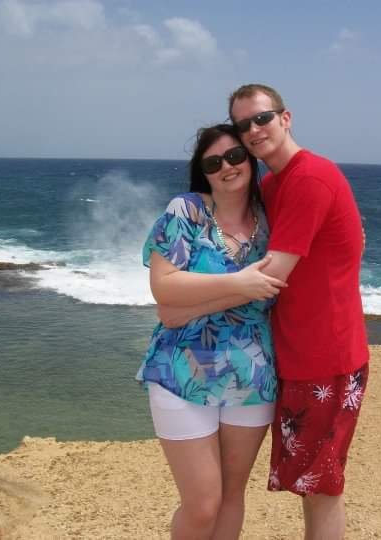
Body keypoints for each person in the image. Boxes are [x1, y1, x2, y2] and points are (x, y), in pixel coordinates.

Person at [161, 84, 370, 539]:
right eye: (244, 125)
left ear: (285, 118)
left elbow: (266, 280)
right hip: (290, 355)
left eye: (262, 118)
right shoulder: (272, 186)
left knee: (321, 487)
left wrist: (180, 311)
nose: (254, 130)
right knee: (308, 484)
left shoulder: (309, 178)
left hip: (325, 356)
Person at [136, 123, 286, 540]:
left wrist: (352, 236)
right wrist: (241, 285)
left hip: (252, 374)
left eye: (235, 156)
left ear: (250, 159)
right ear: (202, 172)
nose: (227, 167)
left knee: (232, 496)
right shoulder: (187, 211)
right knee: (202, 505)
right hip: (181, 371)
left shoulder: (271, 219)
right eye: (213, 162)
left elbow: (175, 307)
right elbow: (164, 290)